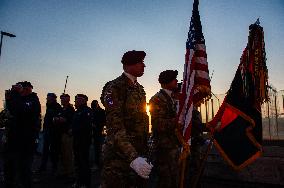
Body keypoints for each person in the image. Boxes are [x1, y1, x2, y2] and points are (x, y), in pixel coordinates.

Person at [100, 50, 152, 188]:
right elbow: (115, 126)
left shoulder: (139, 89)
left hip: (138, 154)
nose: (144, 66)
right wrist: (133, 157)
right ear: (129, 65)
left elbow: (141, 120)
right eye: (140, 62)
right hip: (119, 157)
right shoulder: (114, 88)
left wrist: (144, 150)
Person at [3, 81, 41, 188]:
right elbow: (12, 110)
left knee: (24, 167)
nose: (21, 90)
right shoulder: (19, 100)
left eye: (22, 88)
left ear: (28, 89)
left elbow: (20, 109)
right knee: (10, 165)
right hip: (14, 138)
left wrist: (15, 94)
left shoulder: (33, 101)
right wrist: (9, 99)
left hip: (26, 140)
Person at [148, 70, 180, 188]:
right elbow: (158, 124)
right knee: (165, 180)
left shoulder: (171, 98)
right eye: (173, 79)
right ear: (167, 82)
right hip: (164, 148)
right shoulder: (157, 99)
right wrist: (178, 121)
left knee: (174, 179)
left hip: (173, 145)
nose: (176, 81)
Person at [184, 107, 209, 188]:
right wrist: (210, 126)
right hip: (192, 146)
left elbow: (198, 130)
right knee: (192, 170)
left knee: (197, 169)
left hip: (196, 145)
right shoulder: (189, 112)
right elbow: (195, 126)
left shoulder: (195, 112)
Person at [72, 94, 93, 188]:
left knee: (84, 163)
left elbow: (86, 127)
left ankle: (86, 183)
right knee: (78, 163)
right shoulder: (77, 112)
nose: (76, 101)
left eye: (79, 99)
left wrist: (74, 130)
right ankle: (79, 181)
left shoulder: (87, 111)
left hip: (83, 141)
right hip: (76, 140)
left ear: (84, 101)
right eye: (76, 99)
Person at [53, 93, 75, 178]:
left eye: (63, 99)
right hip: (60, 134)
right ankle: (65, 171)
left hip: (67, 135)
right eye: (61, 99)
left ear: (68, 100)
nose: (62, 100)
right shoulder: (62, 110)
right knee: (62, 154)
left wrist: (61, 119)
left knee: (68, 154)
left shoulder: (70, 109)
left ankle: (70, 173)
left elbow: (70, 120)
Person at [39, 93, 62, 173]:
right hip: (47, 130)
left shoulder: (57, 107)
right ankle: (43, 166)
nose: (47, 99)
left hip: (54, 132)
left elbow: (58, 119)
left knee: (53, 150)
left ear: (53, 98)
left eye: (48, 98)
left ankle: (54, 167)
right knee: (45, 150)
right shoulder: (49, 106)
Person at [90, 100, 106, 170]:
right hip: (94, 133)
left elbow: (104, 122)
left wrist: (96, 125)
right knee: (96, 149)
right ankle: (97, 164)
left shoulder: (101, 112)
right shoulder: (92, 111)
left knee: (99, 150)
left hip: (99, 133)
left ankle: (99, 164)